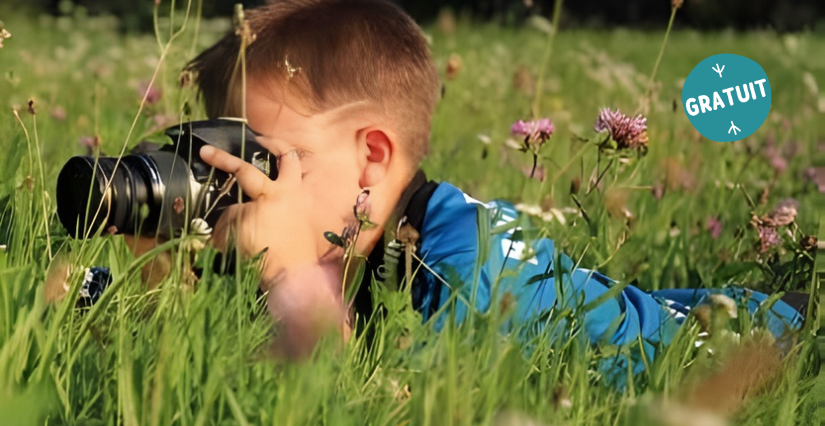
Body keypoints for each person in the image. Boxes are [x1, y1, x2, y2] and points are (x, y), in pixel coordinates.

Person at [180, 0, 806, 379]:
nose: (242, 185)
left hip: (768, 347)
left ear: (371, 158)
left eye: (259, 157)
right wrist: (157, 276)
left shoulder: (465, 266)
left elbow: (379, 401)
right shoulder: (338, 253)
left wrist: (291, 282)